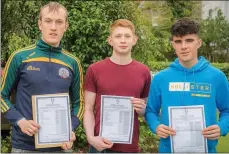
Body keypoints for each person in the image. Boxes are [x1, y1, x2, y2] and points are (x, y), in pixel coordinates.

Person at [1, 1, 84, 152]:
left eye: (59, 22)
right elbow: (1, 96)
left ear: (66, 26)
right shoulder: (20, 57)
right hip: (24, 147)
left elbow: (80, 103)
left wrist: (69, 128)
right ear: (40, 24)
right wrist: (20, 121)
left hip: (60, 147)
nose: (53, 27)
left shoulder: (73, 62)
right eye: (48, 21)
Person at [145, 17, 229, 153]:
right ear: (173, 44)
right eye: (178, 41)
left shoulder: (216, 77)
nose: (183, 46)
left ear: (199, 42)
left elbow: (227, 110)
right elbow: (150, 111)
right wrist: (156, 126)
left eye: (189, 40)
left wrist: (222, 127)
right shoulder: (161, 78)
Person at [83, 19, 151, 153]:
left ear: (135, 40)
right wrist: (91, 138)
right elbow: (88, 109)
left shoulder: (144, 71)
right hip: (100, 145)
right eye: (118, 36)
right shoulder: (95, 69)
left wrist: (143, 109)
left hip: (130, 147)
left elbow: (145, 109)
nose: (123, 40)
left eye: (127, 36)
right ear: (110, 40)